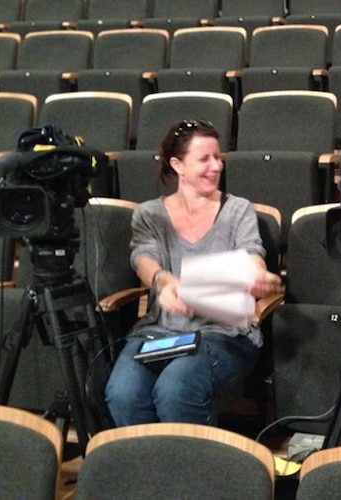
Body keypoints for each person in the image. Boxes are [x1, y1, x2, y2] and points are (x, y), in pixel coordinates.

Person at [105, 119, 283, 426]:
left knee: (175, 388)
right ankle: (146, 470)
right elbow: (143, 258)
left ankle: (191, 470)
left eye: (218, 158)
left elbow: (253, 253)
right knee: (122, 393)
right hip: (160, 330)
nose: (216, 166)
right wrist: (164, 281)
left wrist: (257, 274)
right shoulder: (149, 214)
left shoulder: (237, 209)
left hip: (222, 331)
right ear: (177, 165)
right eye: (204, 159)